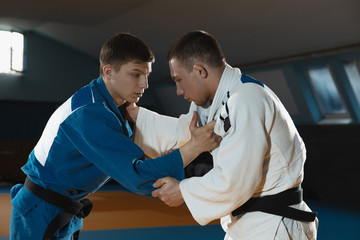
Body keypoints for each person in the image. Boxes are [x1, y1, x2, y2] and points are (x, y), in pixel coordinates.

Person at [9, 33, 221, 240]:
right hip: (40, 212)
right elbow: (136, 176)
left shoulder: (107, 104)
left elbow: (133, 157)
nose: (145, 84)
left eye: (147, 75)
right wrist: (194, 147)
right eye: (136, 74)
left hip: (56, 208)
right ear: (108, 71)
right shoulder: (91, 113)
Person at [128, 30, 319, 239]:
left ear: (200, 71)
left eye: (179, 80)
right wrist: (134, 117)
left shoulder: (246, 98)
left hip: (273, 224)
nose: (178, 91)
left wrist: (183, 191)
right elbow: (182, 133)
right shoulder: (215, 102)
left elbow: (236, 179)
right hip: (249, 222)